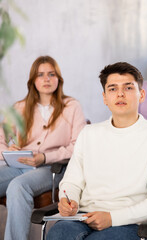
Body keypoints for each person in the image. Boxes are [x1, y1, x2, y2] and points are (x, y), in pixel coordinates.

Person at [47, 62, 147, 240]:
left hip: (129, 221)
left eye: (128, 87)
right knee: (58, 234)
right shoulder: (88, 133)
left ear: (142, 95)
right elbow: (72, 182)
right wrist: (68, 200)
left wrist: (112, 218)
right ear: (105, 97)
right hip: (82, 216)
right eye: (113, 89)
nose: (120, 94)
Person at [0, 55, 86, 240]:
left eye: (51, 74)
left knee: (17, 187)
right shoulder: (20, 107)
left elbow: (79, 146)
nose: (46, 79)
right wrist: (7, 151)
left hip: (53, 168)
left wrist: (45, 157)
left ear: (58, 79)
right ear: (33, 80)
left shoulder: (71, 106)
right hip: (18, 165)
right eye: (40, 75)